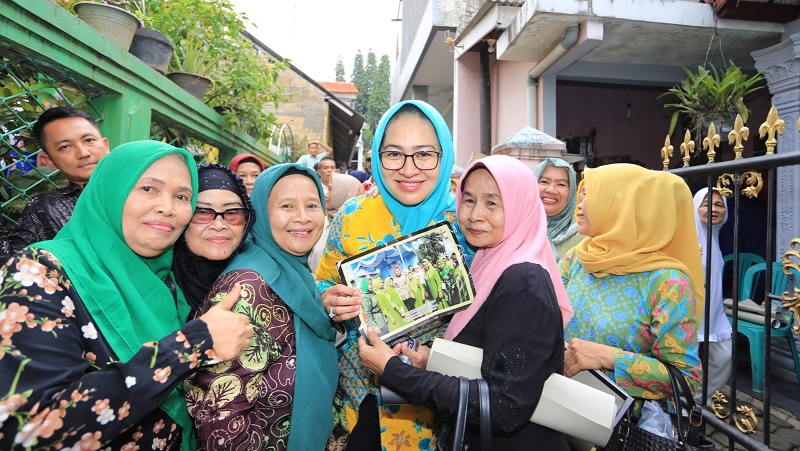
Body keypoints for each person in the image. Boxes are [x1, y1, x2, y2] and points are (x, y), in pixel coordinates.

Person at [0, 140, 253, 450]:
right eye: (148, 189)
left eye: (182, 196)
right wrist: (189, 346)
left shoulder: (168, 281)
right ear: (111, 191)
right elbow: (26, 429)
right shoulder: (40, 272)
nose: (167, 207)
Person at [359, 154, 573, 449]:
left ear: (521, 206)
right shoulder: (493, 260)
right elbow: (492, 359)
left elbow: (503, 408)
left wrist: (395, 372)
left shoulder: (522, 282)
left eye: (492, 203)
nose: (475, 215)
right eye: (468, 200)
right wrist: (429, 361)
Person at [315, 100, 473, 449]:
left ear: (443, 155)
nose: (409, 169)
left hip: (440, 407)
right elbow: (324, 282)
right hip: (360, 398)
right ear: (377, 156)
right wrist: (330, 302)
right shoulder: (352, 216)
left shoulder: (467, 222)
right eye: (394, 154)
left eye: (424, 154)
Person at [185, 163, 341, 450]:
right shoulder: (247, 288)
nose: (303, 218)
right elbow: (218, 418)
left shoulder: (295, 273)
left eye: (312, 204)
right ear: (261, 213)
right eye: (286, 206)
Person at [562, 163, 703, 418]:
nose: (580, 204)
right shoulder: (578, 258)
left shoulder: (668, 283)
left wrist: (610, 358)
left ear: (623, 207)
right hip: (562, 405)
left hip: (623, 424)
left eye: (592, 195)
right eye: (582, 194)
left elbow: (684, 379)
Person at [2, 106, 110, 262]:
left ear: (105, 145)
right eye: (65, 147)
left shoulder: (142, 186)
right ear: (50, 162)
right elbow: (12, 268)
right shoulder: (46, 208)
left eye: (88, 140)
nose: (83, 153)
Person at [172, 163, 255, 318]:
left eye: (232, 212)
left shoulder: (258, 281)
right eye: (202, 212)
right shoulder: (157, 282)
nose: (219, 225)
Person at [693, 187, 733, 405]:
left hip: (714, 314)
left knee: (723, 357)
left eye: (719, 204)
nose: (714, 209)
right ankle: (683, 407)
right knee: (687, 363)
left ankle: (698, 402)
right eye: (707, 204)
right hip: (691, 313)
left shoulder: (715, 239)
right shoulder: (690, 239)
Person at [534, 158, 585, 260]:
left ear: (571, 193)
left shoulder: (581, 239)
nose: (551, 190)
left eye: (561, 184)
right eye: (544, 181)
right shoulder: (514, 230)